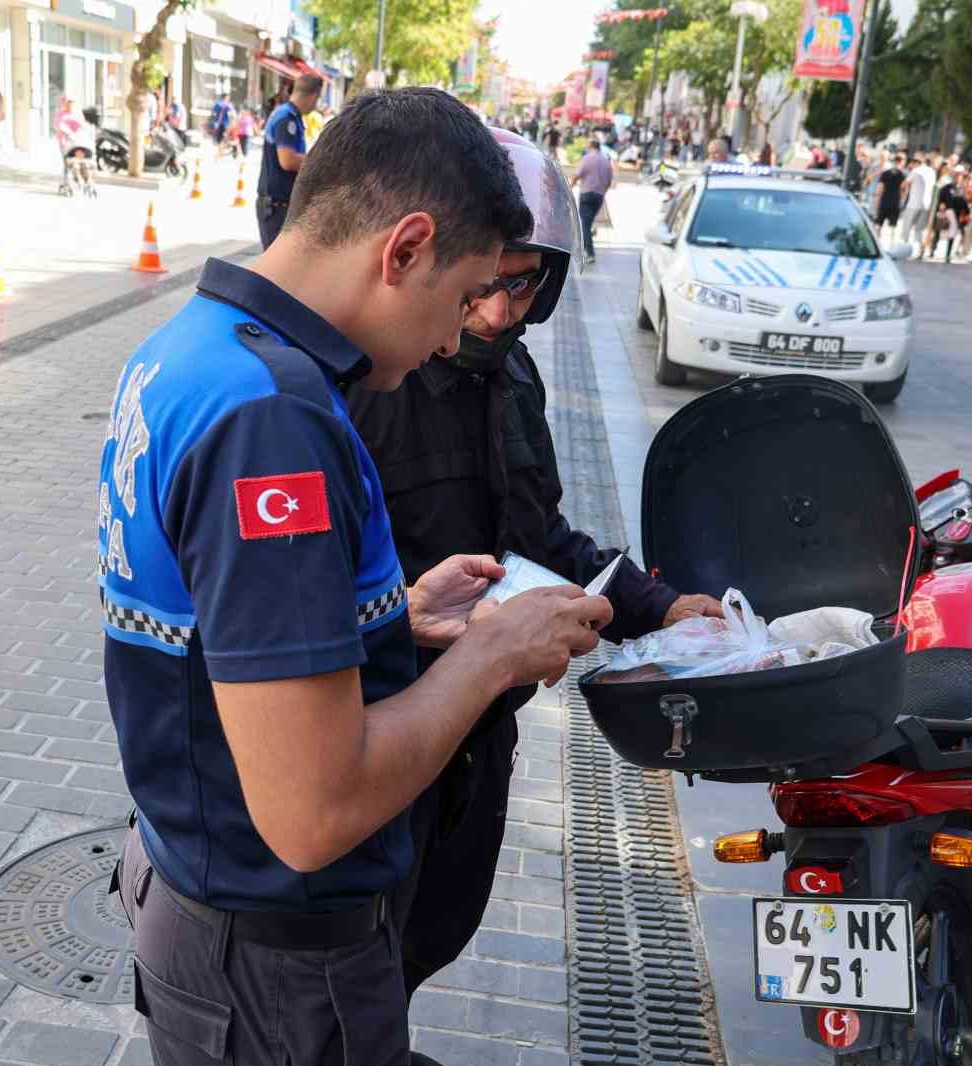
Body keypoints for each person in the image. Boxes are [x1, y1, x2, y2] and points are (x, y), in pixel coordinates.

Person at [104, 87, 611, 1066]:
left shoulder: (194, 350)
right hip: (276, 966)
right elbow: (312, 811)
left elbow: (211, 625)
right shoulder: (274, 422)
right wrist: (494, 653)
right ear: (403, 248)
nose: (456, 334)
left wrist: (388, 618)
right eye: (463, 295)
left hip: (207, 911)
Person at [348, 128, 722, 1013]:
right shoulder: (364, 384)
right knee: (351, 971)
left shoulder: (513, 376)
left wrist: (659, 607)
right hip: (383, 733)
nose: (496, 312)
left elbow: (542, 534)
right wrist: (405, 615)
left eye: (522, 283)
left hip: (481, 734)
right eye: (484, 285)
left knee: (430, 935)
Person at [257, 74, 325, 250]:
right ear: (314, 96)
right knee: (275, 272)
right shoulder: (286, 118)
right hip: (276, 207)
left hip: (280, 205)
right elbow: (287, 160)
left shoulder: (290, 115)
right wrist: (321, 163)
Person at [572, 132, 613, 264]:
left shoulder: (587, 158)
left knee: (584, 224)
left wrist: (570, 186)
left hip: (587, 194)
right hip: (599, 196)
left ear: (590, 146)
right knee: (587, 223)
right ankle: (585, 242)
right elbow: (608, 181)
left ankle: (589, 252)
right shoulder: (606, 160)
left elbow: (577, 175)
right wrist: (602, 192)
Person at [53, 97, 94, 197]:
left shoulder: (77, 113)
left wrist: (82, 133)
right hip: (65, 142)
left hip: (77, 142)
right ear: (65, 104)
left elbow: (82, 125)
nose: (70, 106)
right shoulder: (60, 114)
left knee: (83, 163)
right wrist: (67, 132)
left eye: (72, 104)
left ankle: (86, 182)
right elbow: (59, 125)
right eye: (68, 104)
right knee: (67, 164)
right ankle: (67, 184)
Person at [900, 154, 933, 255]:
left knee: (907, 227)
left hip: (913, 204)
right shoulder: (932, 172)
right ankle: (921, 249)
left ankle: (904, 248)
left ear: (916, 163)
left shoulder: (916, 171)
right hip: (926, 205)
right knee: (919, 229)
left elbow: (903, 184)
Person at [873, 153, 907, 243]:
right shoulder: (903, 175)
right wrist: (902, 202)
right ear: (901, 162)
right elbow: (904, 191)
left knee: (879, 224)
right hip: (895, 203)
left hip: (884, 201)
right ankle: (891, 244)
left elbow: (880, 188)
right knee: (893, 226)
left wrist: (877, 200)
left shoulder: (885, 173)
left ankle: (877, 242)